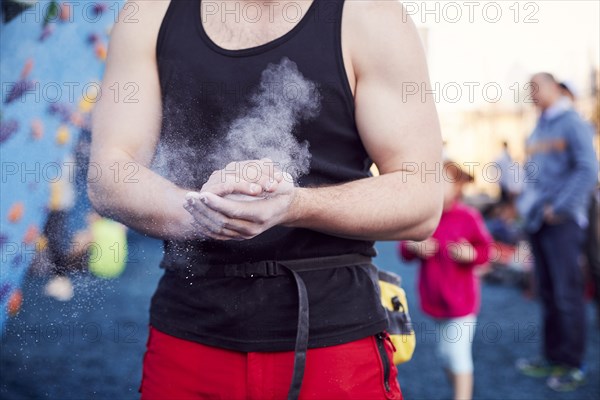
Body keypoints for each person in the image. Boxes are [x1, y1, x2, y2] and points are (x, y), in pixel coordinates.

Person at [88, 1, 443, 399]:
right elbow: (109, 174)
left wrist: (293, 206)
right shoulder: (149, 15)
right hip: (190, 338)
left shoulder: (372, 16)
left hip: (334, 341)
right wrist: (205, 212)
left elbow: (421, 196)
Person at [516, 72, 598, 392]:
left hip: (561, 223)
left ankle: (574, 364)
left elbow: (589, 168)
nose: (531, 94)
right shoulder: (539, 125)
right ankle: (552, 357)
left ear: (553, 88)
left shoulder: (572, 122)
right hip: (538, 221)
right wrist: (528, 207)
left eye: (535, 87)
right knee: (548, 293)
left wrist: (560, 207)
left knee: (567, 295)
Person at [399, 160, 493, 400]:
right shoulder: (425, 217)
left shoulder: (468, 217)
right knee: (445, 354)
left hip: (462, 302)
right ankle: (459, 390)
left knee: (458, 354)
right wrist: (415, 246)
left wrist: (469, 254)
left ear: (458, 187)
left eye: (442, 181)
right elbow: (404, 250)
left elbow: (485, 250)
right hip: (434, 299)